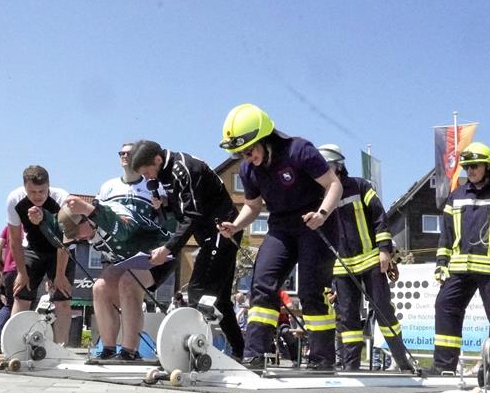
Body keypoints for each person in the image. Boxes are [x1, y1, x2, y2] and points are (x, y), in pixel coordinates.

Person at [218, 103, 342, 369]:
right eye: (240, 153)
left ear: (264, 139)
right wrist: (236, 226)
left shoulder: (299, 150)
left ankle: (322, 359)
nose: (246, 157)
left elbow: (333, 184)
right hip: (281, 228)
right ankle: (254, 354)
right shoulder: (248, 170)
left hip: (315, 223)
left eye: (249, 151)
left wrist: (322, 213)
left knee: (311, 291)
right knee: (262, 283)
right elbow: (252, 207)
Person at [129, 139, 246, 360]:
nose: (146, 178)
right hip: (209, 235)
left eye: (147, 172)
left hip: (222, 229)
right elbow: (185, 204)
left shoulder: (182, 169)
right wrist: (164, 203)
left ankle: (192, 351)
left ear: (157, 159)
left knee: (198, 291)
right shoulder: (166, 172)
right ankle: (242, 352)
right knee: (220, 298)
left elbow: (192, 214)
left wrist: (168, 248)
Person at [318, 143, 415, 372]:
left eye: (327, 166)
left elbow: (379, 217)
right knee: (347, 318)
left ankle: (402, 360)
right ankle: (350, 367)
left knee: (383, 310)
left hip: (371, 260)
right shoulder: (321, 197)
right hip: (342, 267)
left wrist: (384, 250)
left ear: (338, 166)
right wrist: (330, 282)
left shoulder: (360, 186)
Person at [428, 142, 490, 376]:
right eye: (467, 167)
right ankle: (444, 366)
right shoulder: (456, 195)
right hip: (459, 269)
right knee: (445, 306)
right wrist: (441, 265)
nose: (470, 170)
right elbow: (446, 234)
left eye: (475, 166)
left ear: (488, 166)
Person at [60, 193, 174, 361]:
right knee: (99, 288)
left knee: (128, 283)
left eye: (76, 232)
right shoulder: (89, 230)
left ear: (86, 219)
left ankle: (129, 352)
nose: (76, 238)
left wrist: (88, 209)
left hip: (160, 252)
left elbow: (124, 232)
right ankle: (108, 349)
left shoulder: (111, 210)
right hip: (130, 260)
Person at [6, 165, 74, 344]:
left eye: (41, 191)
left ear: (49, 186)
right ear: (24, 187)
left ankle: (60, 347)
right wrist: (21, 272)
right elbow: (14, 239)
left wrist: (59, 275)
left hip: (60, 248)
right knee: (21, 293)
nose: (37, 196)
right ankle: (14, 344)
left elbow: (65, 239)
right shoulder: (15, 199)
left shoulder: (61, 198)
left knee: (63, 298)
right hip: (33, 249)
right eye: (32, 191)